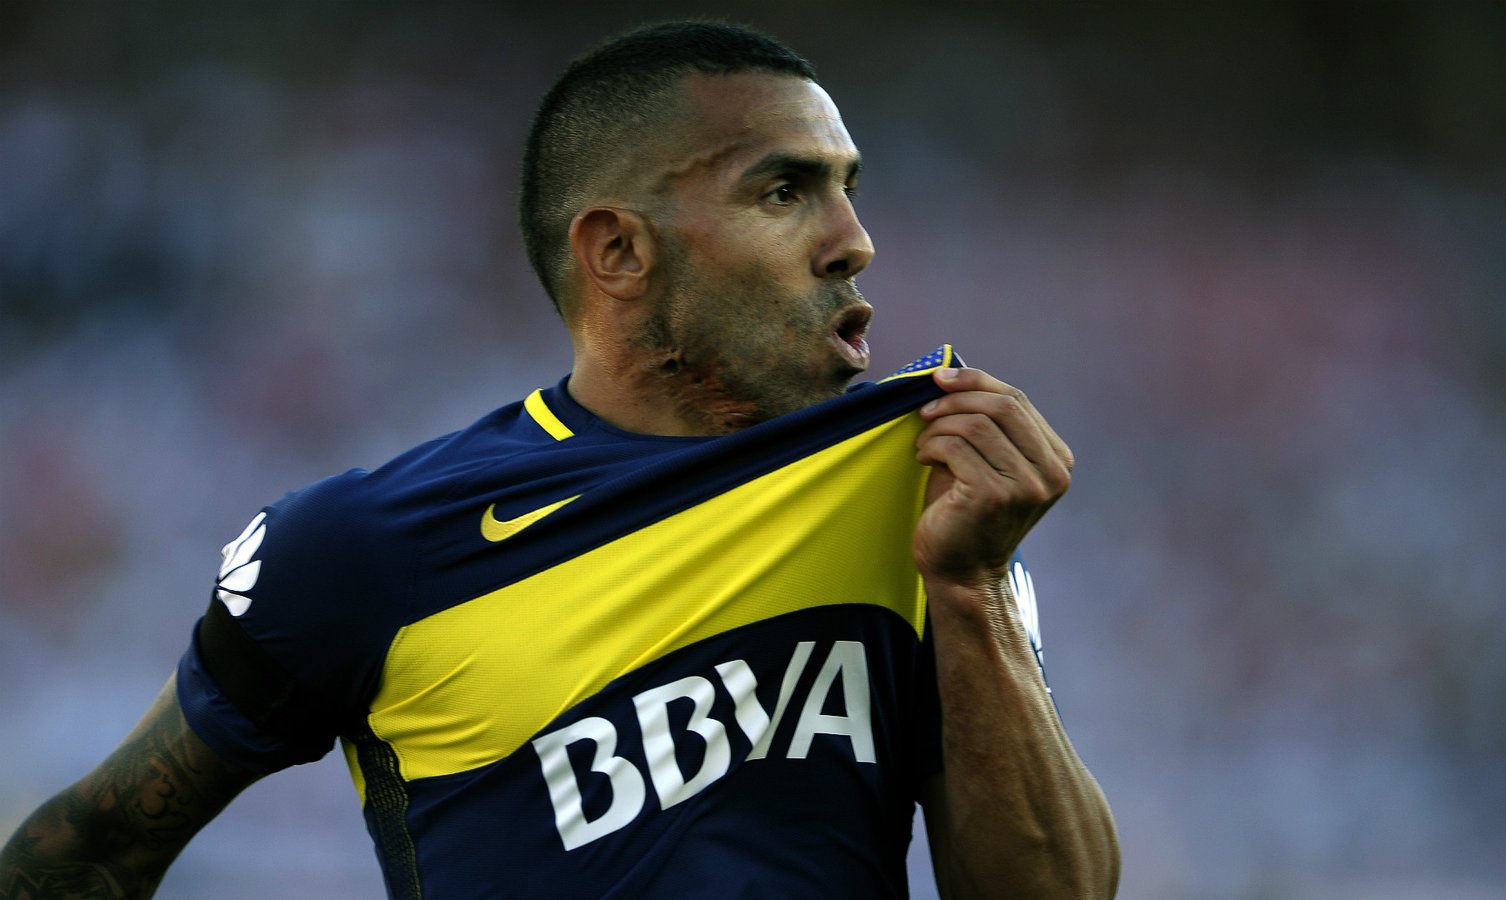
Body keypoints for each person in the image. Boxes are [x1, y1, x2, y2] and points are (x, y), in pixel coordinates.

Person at [0, 20, 1117, 900]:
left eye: (847, 188)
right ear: (618, 251)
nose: (853, 241)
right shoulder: (367, 547)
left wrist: (969, 589)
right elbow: (94, 847)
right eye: (785, 192)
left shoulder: (916, 503)